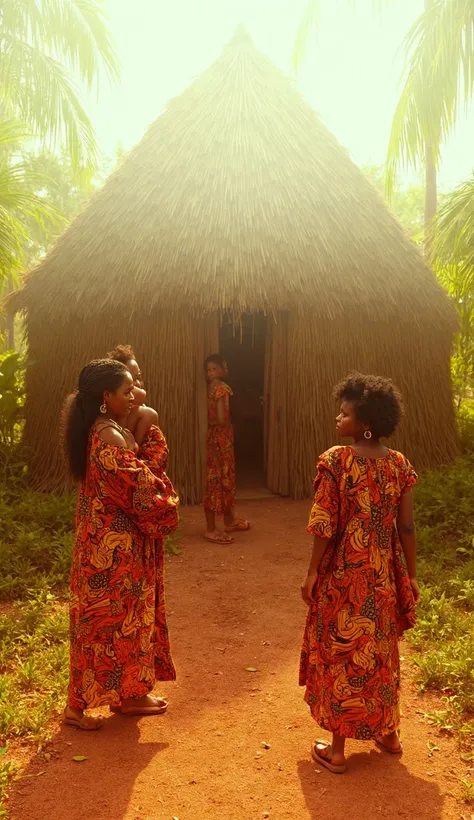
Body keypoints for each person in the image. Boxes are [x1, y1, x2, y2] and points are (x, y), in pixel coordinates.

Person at [299, 373, 420, 773]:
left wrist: (313, 571)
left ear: (364, 423)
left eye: (345, 413)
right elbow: (406, 527)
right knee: (381, 654)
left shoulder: (336, 460)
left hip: (344, 577)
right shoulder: (400, 465)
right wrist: (412, 576)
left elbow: (324, 524)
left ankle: (336, 751)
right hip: (383, 576)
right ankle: (389, 734)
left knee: (343, 654)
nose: (338, 417)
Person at [62, 359, 179, 730]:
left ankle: (128, 694)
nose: (133, 397)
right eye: (126, 391)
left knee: (120, 624)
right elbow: (140, 492)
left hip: (111, 546)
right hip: (113, 553)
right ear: (105, 396)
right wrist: (167, 499)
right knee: (107, 625)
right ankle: (79, 707)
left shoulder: (100, 429)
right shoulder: (109, 437)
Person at [203, 354, 250, 544]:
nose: (211, 373)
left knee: (222, 476)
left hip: (214, 437)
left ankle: (230, 521)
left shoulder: (210, 388)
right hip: (222, 438)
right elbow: (222, 419)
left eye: (214, 369)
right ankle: (211, 529)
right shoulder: (222, 389)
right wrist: (222, 423)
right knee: (219, 478)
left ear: (222, 369)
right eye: (209, 370)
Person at [107, 344, 158, 446]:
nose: (138, 384)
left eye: (138, 377)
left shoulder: (140, 412)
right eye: (132, 379)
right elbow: (142, 395)